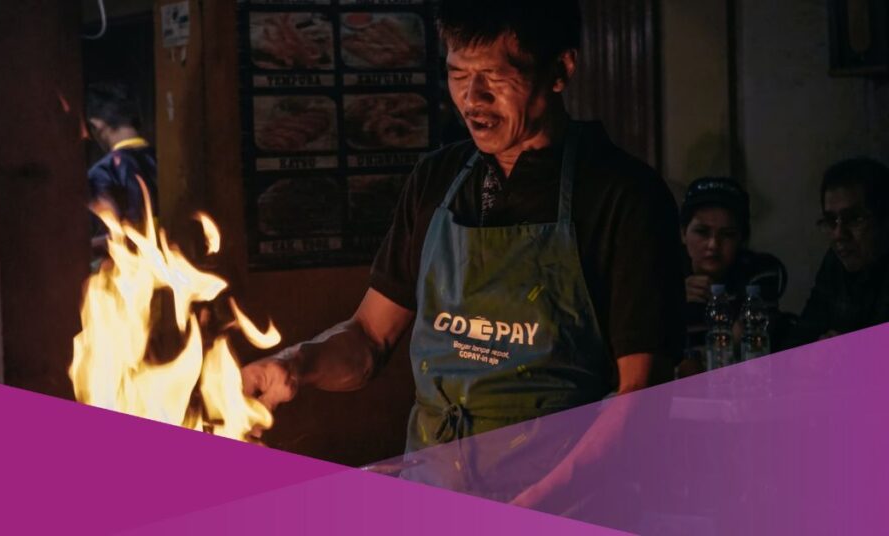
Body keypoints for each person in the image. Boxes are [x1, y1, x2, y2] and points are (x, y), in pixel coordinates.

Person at [241, 0, 684, 506]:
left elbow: (640, 400)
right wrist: (297, 364)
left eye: (495, 76)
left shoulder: (624, 196)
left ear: (561, 69)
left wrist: (534, 505)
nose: (472, 98)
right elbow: (367, 338)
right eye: (457, 75)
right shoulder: (438, 179)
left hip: (568, 504)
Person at [677, 177, 788, 374]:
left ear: (741, 239)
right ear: (683, 234)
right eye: (702, 232)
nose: (713, 245)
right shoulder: (664, 273)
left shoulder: (758, 270)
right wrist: (674, 297)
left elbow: (746, 341)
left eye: (727, 234)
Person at [790, 158, 889, 345]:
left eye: (854, 219)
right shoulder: (835, 261)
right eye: (830, 221)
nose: (838, 235)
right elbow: (800, 336)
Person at [85, 81, 159, 249]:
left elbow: (115, 237)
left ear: (96, 125)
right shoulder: (167, 161)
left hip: (128, 270)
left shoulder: (103, 172)